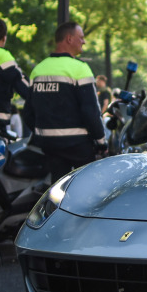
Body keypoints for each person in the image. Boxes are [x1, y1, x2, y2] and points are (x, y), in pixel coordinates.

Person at [26, 21, 105, 179]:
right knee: (86, 187)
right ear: (69, 39)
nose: (84, 41)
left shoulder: (38, 69)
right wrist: (101, 141)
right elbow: (90, 111)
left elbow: (28, 112)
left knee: (57, 188)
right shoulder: (80, 68)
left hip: (48, 144)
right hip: (78, 144)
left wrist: (42, 133)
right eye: (81, 37)